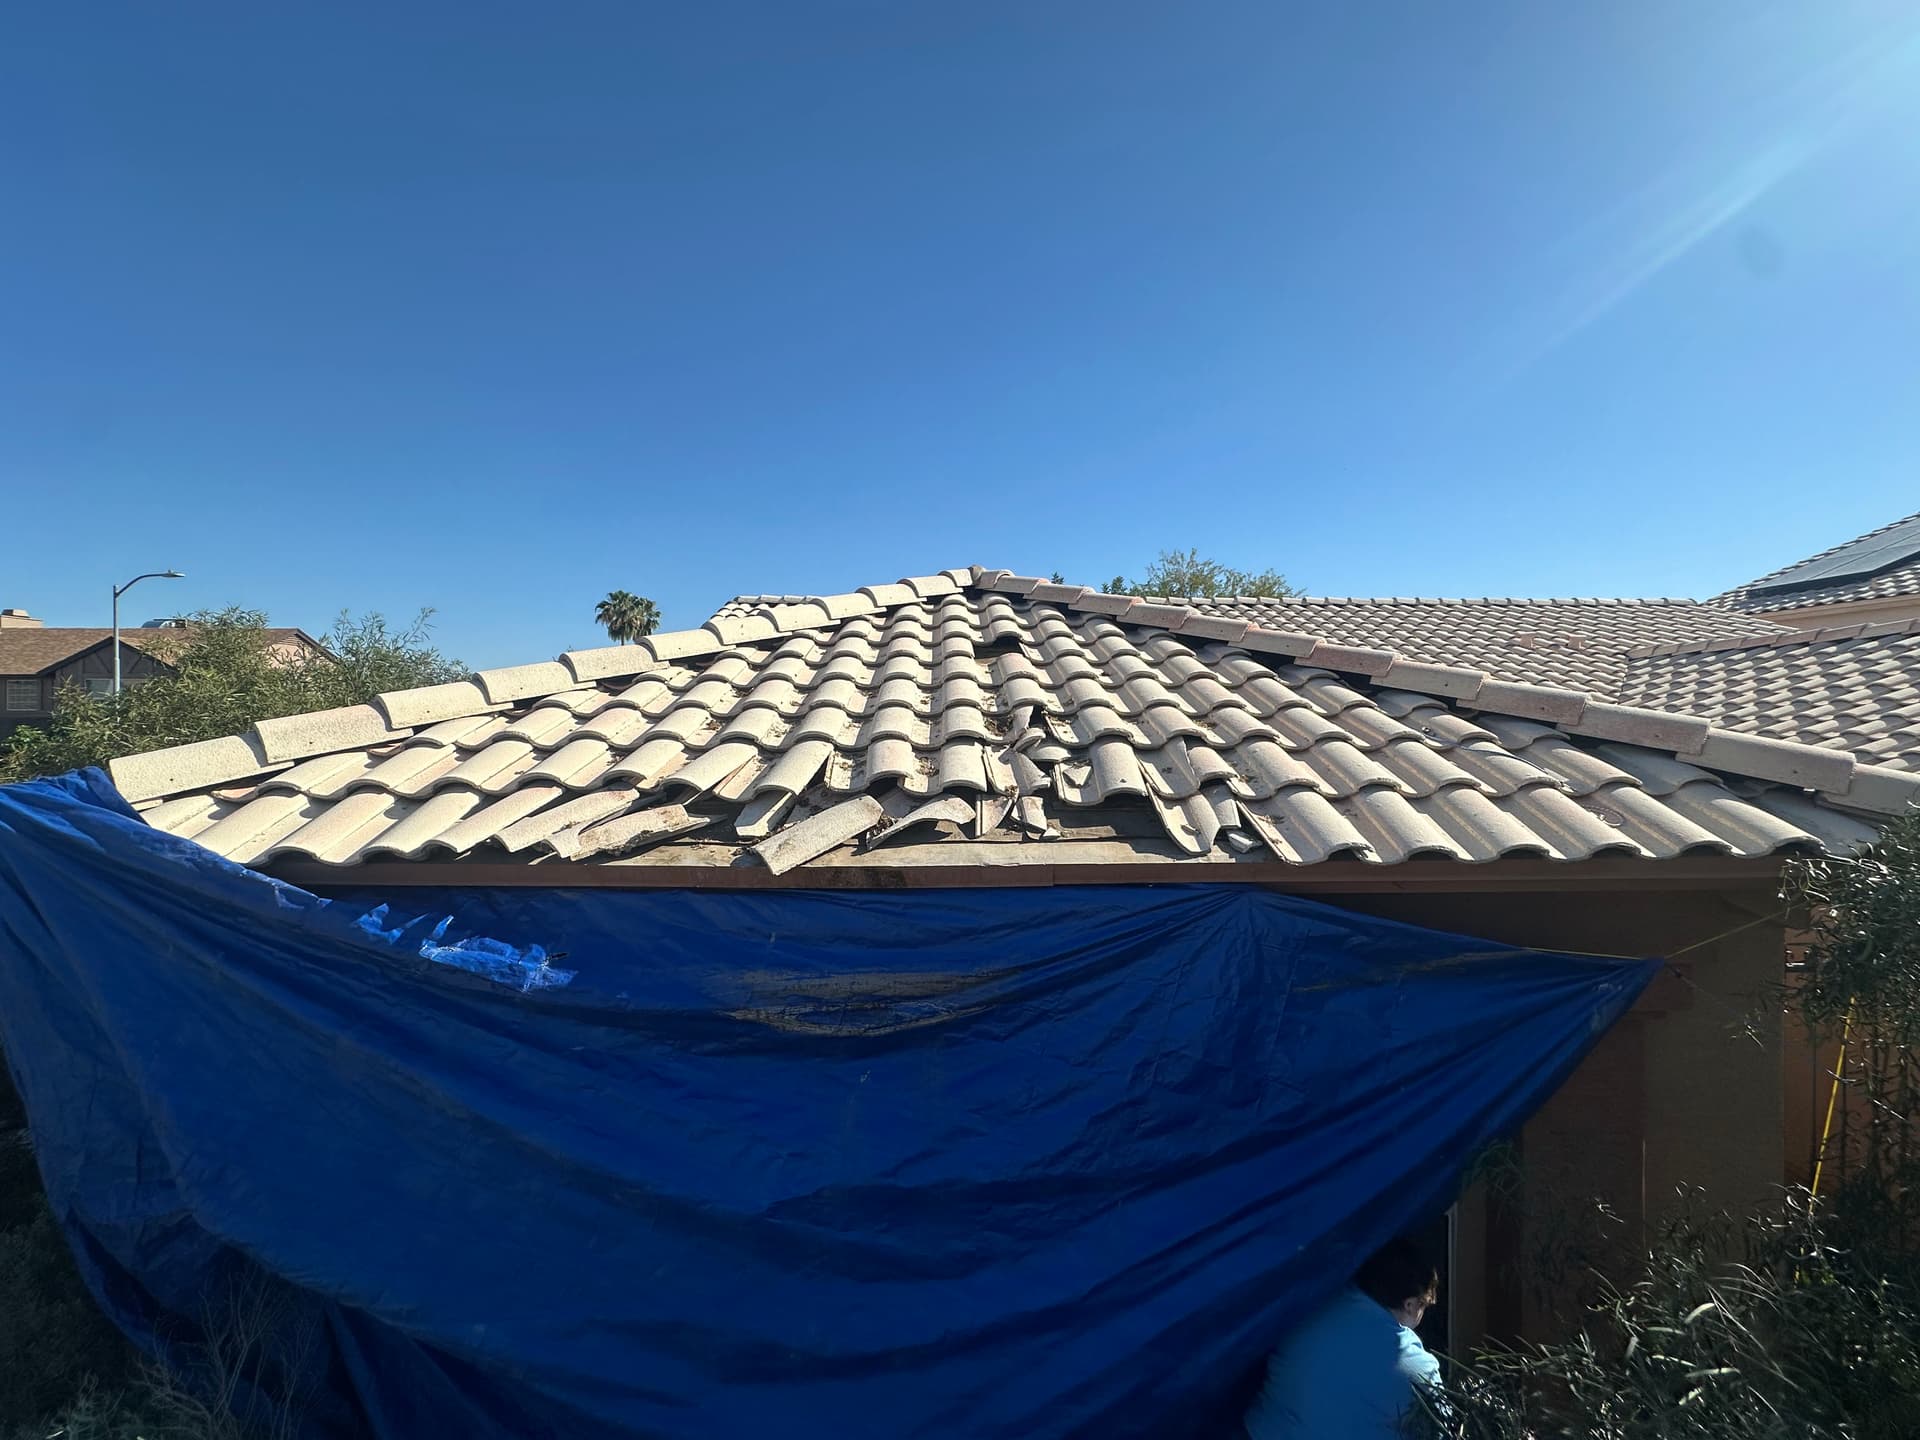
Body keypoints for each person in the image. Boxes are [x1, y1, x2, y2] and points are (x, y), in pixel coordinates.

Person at [1242, 1236, 1444, 1438]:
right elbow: (1444, 1428)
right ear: (1410, 1304)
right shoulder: (1419, 1368)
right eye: (1424, 1306)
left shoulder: (1309, 1305)